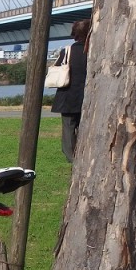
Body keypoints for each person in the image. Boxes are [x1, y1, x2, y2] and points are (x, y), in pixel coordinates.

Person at [51, 18, 91, 162]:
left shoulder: (66, 51)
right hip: (87, 96)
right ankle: (85, 154)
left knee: (68, 129)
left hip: (67, 96)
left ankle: (71, 157)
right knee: (86, 127)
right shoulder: (94, 52)